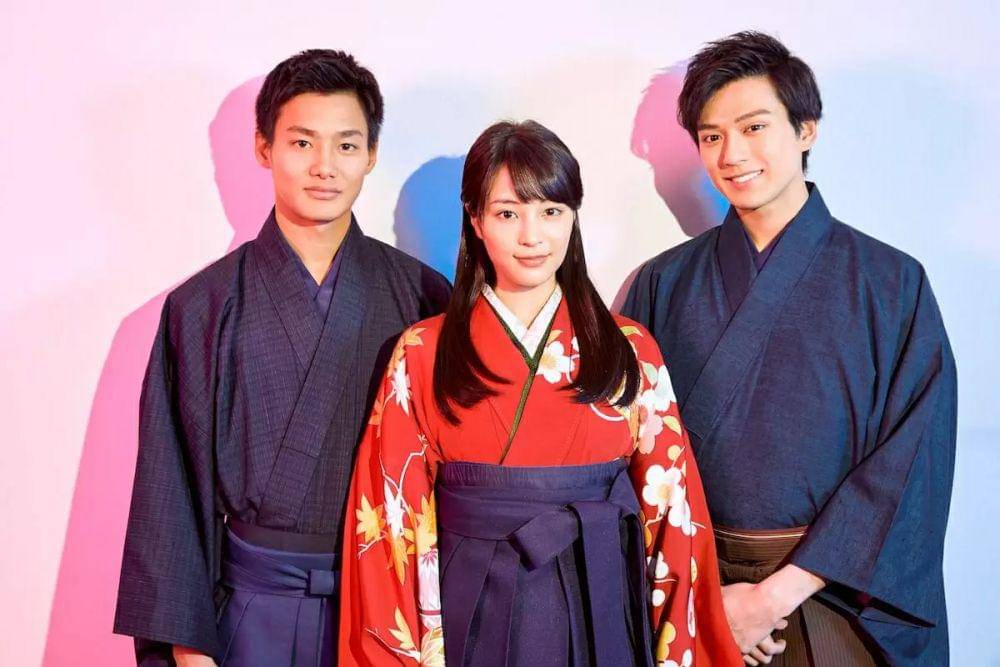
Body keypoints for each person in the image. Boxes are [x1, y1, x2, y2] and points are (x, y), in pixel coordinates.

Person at [338, 120, 742, 666]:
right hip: (472, 614)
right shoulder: (421, 352)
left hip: (601, 607)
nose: (532, 236)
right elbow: (391, 528)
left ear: (573, 216)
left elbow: (675, 519)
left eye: (551, 211)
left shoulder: (630, 349)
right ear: (476, 220)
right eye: (508, 214)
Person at [622, 32, 956, 666]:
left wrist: (775, 595)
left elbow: (913, 461)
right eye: (712, 136)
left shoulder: (891, 283)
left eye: (754, 127)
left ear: (806, 129)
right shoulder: (663, 283)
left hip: (836, 595)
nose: (732, 154)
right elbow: (632, 450)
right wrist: (704, 592)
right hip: (697, 592)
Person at [113, 50, 451, 666]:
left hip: (387, 607)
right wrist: (190, 649)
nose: (325, 166)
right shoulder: (202, 306)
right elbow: (171, 489)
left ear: (372, 154)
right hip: (253, 613)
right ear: (264, 147)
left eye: (346, 145)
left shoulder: (423, 296)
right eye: (302, 142)